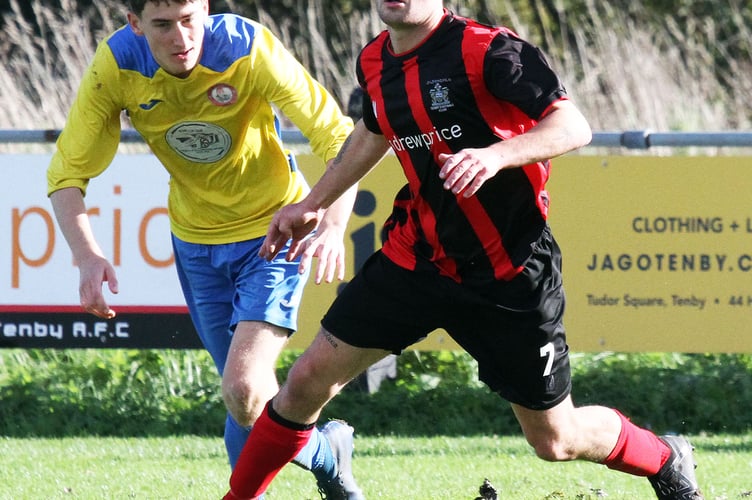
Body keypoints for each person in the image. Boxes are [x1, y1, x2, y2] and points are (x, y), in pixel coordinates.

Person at [223, 1, 704, 499]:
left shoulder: (490, 50)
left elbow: (572, 126)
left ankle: (665, 458)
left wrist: (495, 156)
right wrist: (313, 203)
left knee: (555, 440)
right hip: (416, 260)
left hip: (507, 272)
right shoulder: (374, 61)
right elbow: (372, 131)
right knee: (305, 382)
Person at [46, 1, 365, 498]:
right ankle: (328, 453)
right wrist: (86, 256)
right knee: (245, 399)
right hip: (195, 245)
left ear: (207, 9)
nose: (181, 37)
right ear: (134, 24)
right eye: (162, 25)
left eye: (190, 18)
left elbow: (339, 137)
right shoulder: (118, 65)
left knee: (243, 388)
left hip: (273, 233)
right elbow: (66, 175)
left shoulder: (246, 47)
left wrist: (332, 222)